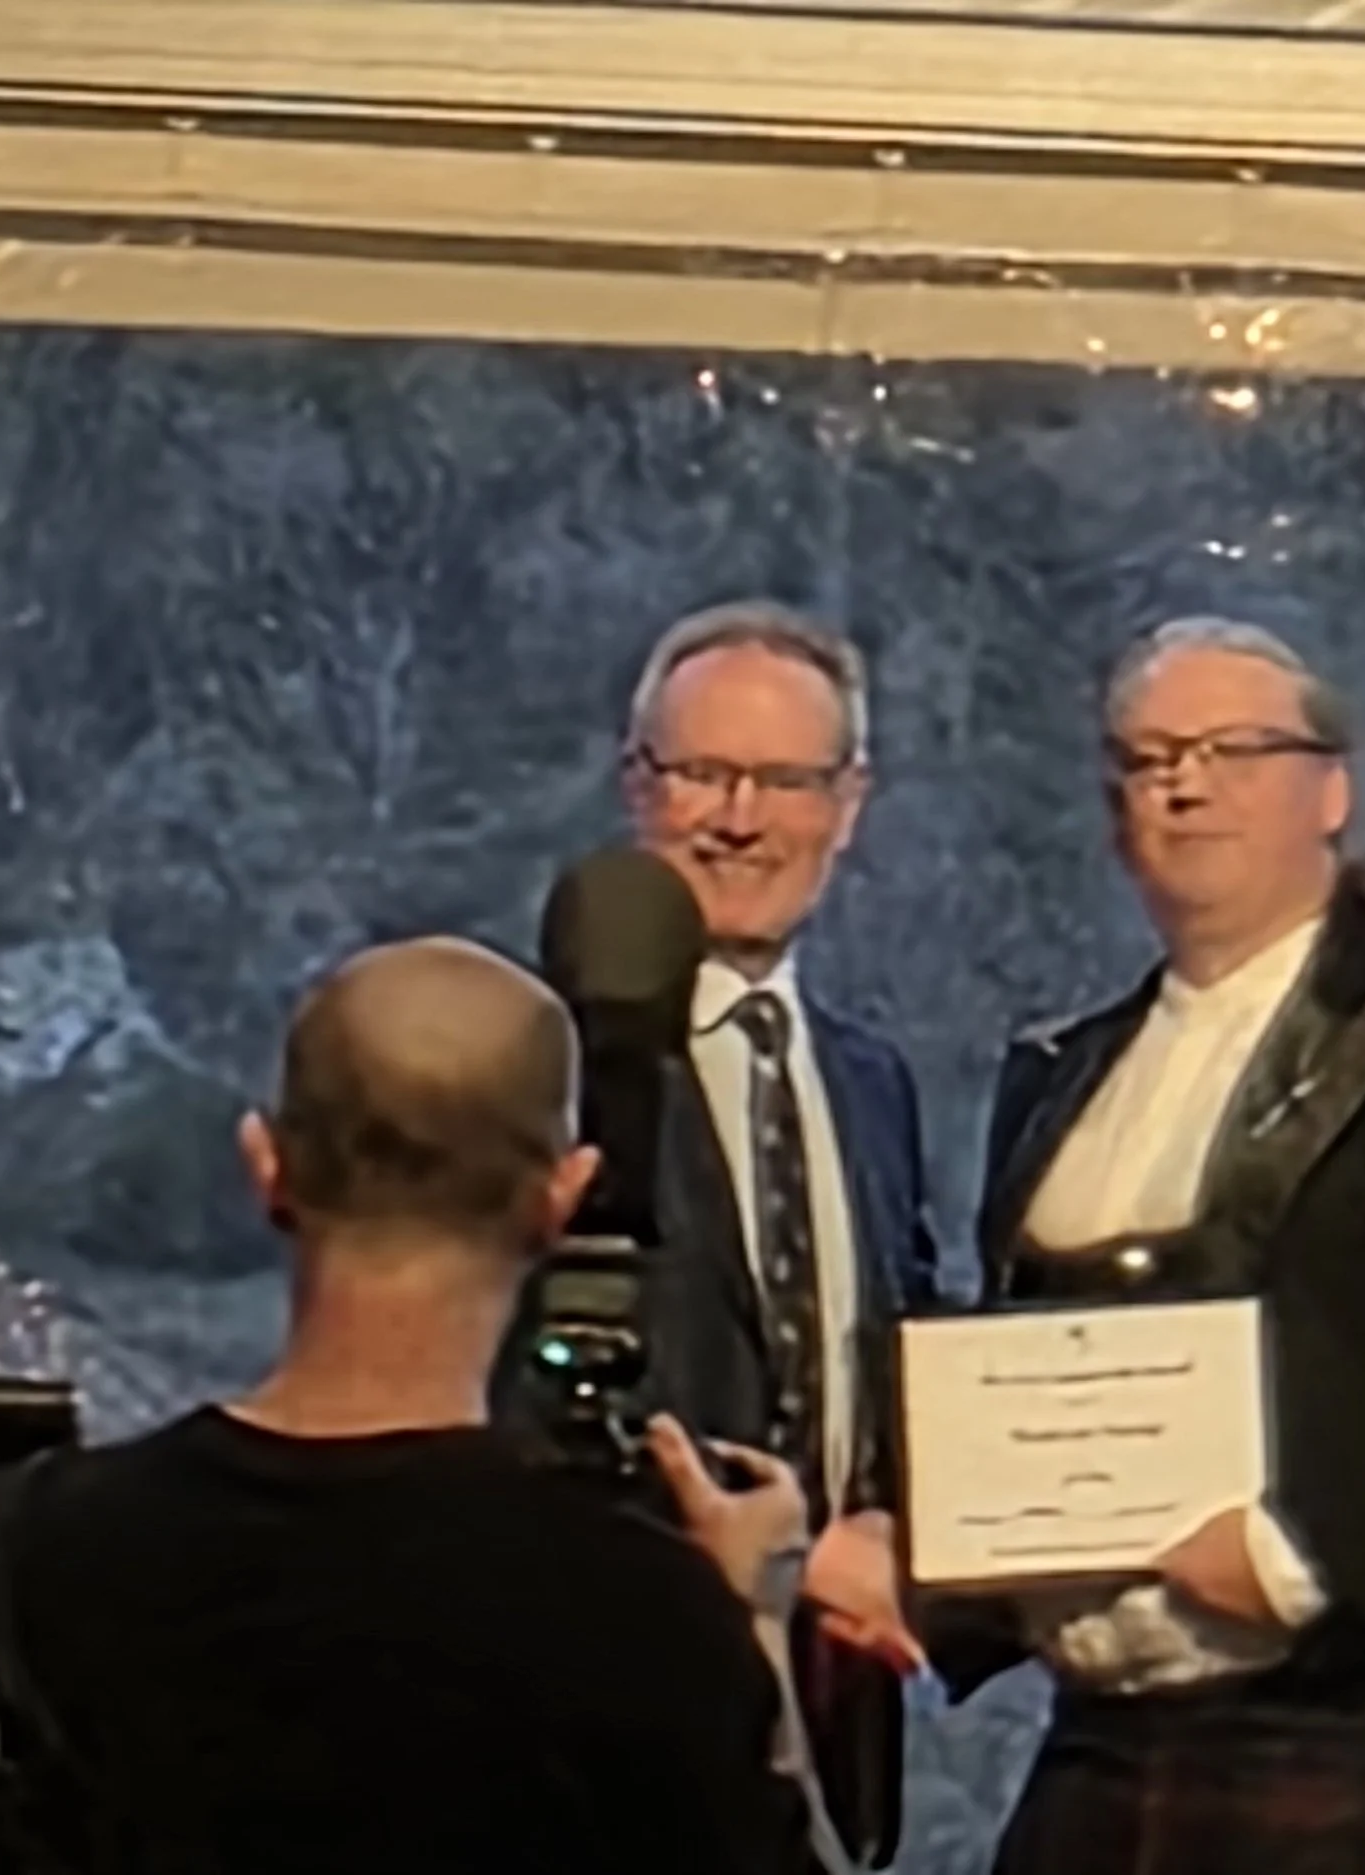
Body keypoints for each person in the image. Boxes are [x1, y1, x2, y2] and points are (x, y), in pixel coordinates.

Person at [945, 617, 1365, 1875]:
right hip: (1108, 1735)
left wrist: (1296, 1550)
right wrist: (934, 1571)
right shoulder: (1060, 1075)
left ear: (1331, 789)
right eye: (1147, 758)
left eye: (1232, 750)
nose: (1185, 784)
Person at [0, 937, 817, 1875]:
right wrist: (753, 1618)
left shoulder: (33, 1549)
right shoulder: (647, 1611)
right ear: (561, 1199)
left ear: (267, 1164)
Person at [614, 600, 938, 1867]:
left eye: (786, 780)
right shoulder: (563, 1065)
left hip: (839, 1736)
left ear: (848, 804)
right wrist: (778, 1572)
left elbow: (898, 1371)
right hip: (616, 1735)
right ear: (636, 787)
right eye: (702, 773)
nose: (740, 818)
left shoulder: (874, 1084)